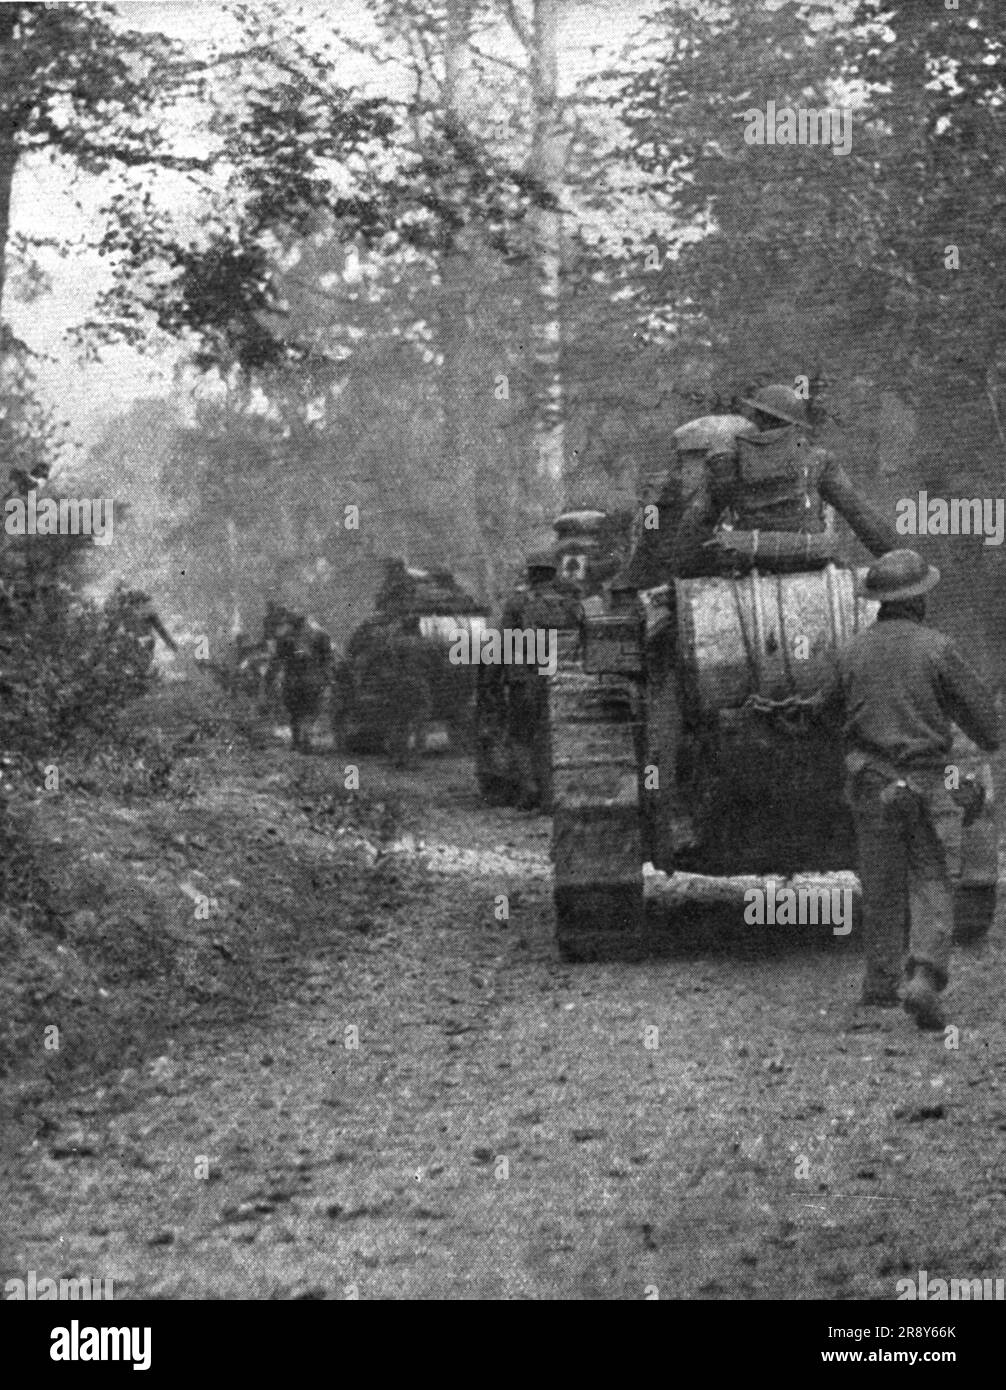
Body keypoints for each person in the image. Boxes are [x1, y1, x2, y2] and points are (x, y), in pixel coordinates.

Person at [823, 549, 1000, 1029]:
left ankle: (880, 985)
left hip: (872, 782)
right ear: (919, 599)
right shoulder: (938, 648)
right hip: (926, 781)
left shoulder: (851, 651)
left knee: (881, 881)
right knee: (931, 876)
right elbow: (987, 728)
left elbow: (825, 714)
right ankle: (924, 976)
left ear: (878, 602)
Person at [673, 384, 898, 576]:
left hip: (750, 563)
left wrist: (682, 571)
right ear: (795, 425)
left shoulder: (728, 463)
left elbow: (696, 523)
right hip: (811, 559)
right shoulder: (817, 459)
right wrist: (897, 558)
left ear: (757, 418)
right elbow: (859, 514)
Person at [502, 553, 580, 810]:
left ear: (530, 574)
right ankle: (553, 795)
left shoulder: (517, 603)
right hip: (565, 677)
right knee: (555, 734)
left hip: (527, 678)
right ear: (553, 574)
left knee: (520, 736)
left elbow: (505, 643)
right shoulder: (571, 604)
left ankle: (530, 789)